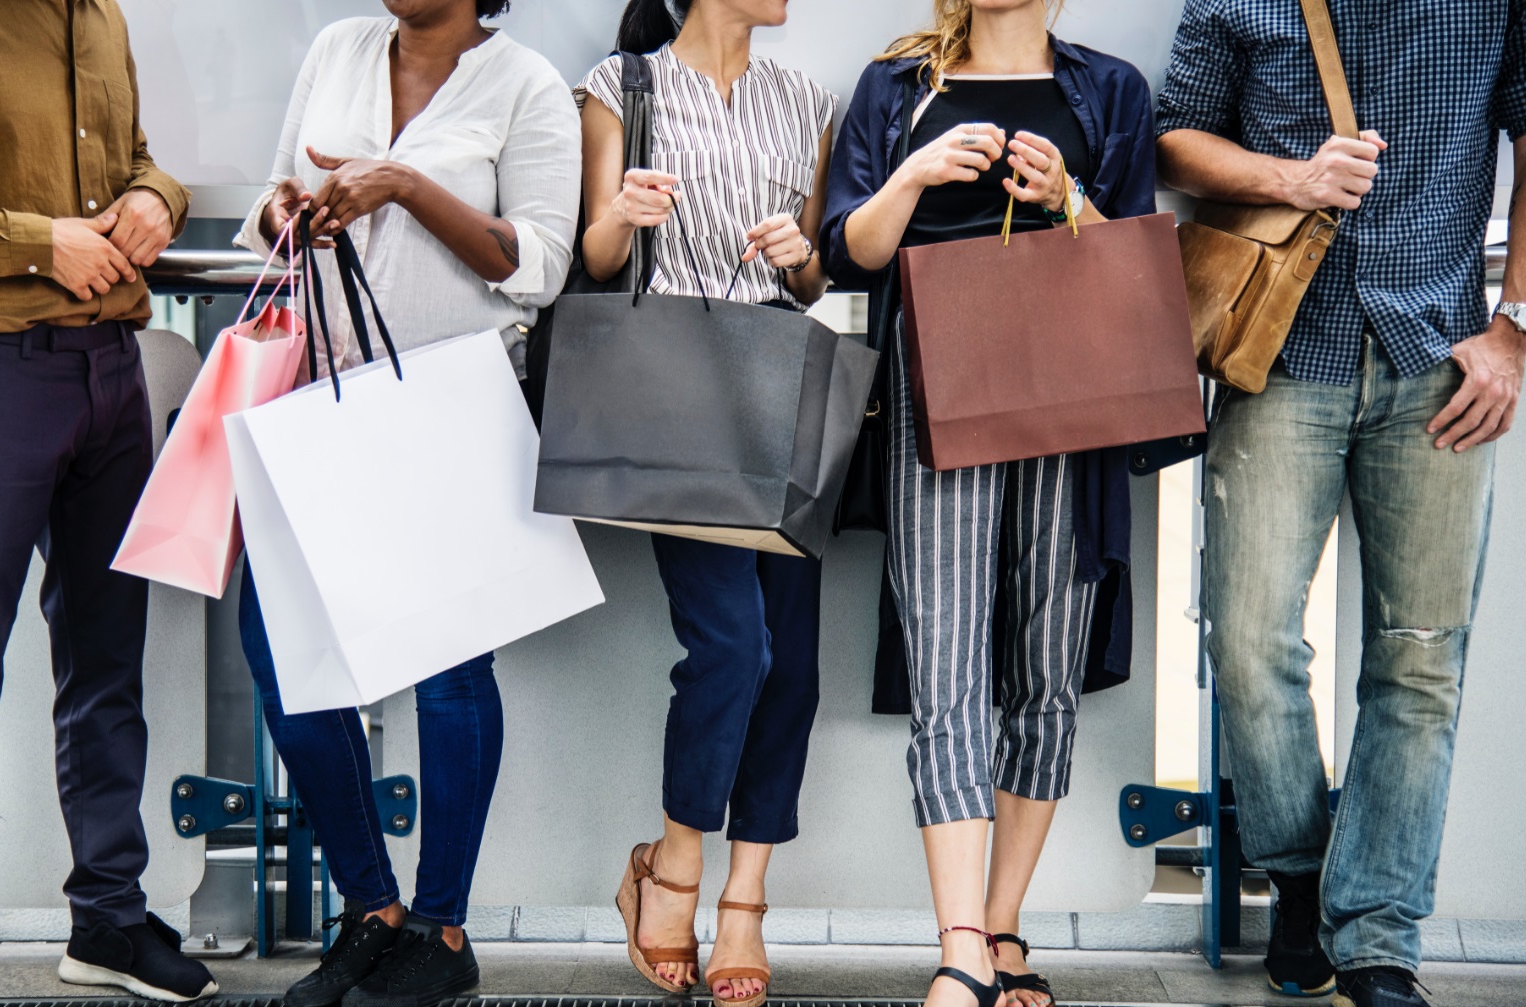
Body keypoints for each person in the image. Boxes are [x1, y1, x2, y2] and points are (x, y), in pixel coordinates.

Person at [1156, 1, 1526, 1004]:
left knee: (1418, 655)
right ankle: (1299, 874)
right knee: (1244, 637)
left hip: (1438, 358)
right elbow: (1172, 138)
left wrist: (1514, 326)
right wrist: (1291, 177)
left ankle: (1374, 938)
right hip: (1273, 351)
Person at [0, 1, 215, 1003]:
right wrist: (33, 244)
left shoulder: (98, 13)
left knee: (108, 664)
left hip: (113, 372)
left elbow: (139, 160)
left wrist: (157, 197)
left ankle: (108, 921)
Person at [231, 1, 580, 1005]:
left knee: (446, 674)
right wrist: (285, 212)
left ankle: (441, 928)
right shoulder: (338, 47)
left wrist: (402, 185)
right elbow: (268, 197)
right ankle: (369, 909)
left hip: (451, 408)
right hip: (318, 398)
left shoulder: (525, 86)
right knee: (286, 660)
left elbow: (540, 266)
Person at [820, 1, 1155, 1005]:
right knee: (946, 656)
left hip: (1072, 395)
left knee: (1045, 665)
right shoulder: (896, 86)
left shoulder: (1109, 91)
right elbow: (846, 251)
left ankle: (1002, 928)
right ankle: (958, 943)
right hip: (937, 389)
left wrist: (1068, 195)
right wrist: (913, 174)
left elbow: (1137, 263)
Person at [576, 1, 835, 1003]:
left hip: (778, 385)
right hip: (673, 391)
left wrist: (795, 255)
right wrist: (623, 217)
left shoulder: (804, 100)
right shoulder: (619, 87)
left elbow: (813, 278)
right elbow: (597, 261)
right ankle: (672, 862)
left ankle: (745, 900)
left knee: (794, 663)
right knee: (734, 647)